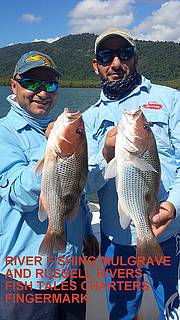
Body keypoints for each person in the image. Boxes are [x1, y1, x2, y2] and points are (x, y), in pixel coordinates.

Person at [83, 27, 180, 320]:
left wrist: (174, 206)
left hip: (166, 233)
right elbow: (84, 183)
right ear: (95, 64)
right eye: (106, 56)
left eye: (124, 54)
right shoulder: (87, 119)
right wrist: (104, 154)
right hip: (117, 241)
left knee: (173, 311)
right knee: (122, 314)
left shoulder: (170, 99)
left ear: (136, 58)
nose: (115, 63)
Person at [0, 51, 99, 320]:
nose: (42, 92)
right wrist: (51, 149)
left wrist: (88, 231)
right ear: (14, 85)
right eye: (32, 83)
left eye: (50, 84)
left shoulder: (59, 132)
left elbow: (74, 190)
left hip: (70, 267)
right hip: (26, 275)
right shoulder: (4, 133)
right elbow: (20, 195)